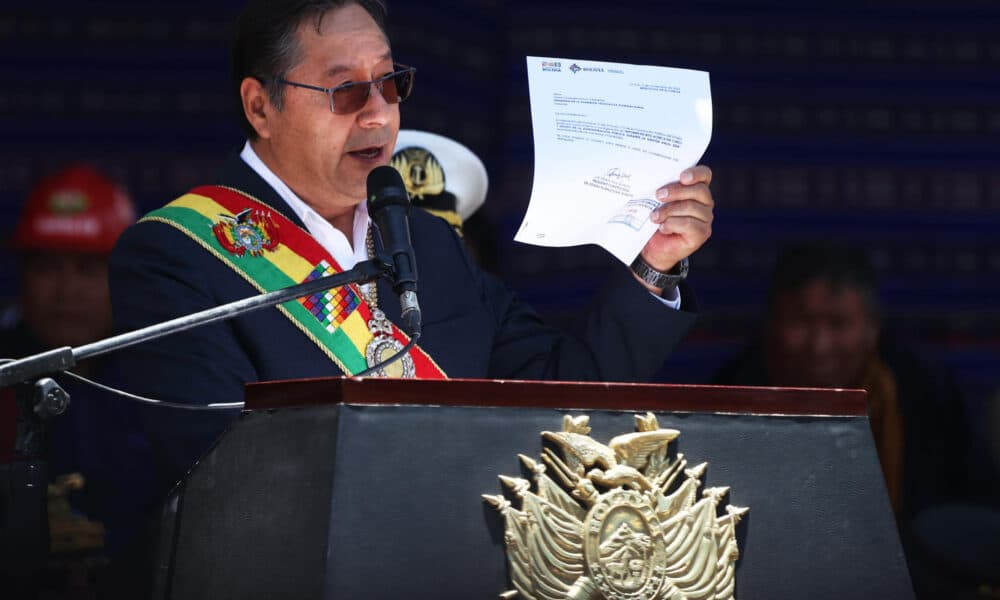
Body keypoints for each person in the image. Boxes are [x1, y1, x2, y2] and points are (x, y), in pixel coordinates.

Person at [107, 0, 715, 505]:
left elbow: (563, 394)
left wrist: (654, 265)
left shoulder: (429, 242)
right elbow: (218, 478)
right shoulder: (177, 254)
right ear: (261, 106)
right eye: (345, 91)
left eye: (390, 83)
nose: (377, 113)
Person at [713, 241, 980, 597]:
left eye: (837, 324)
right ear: (773, 324)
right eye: (802, 322)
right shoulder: (729, 401)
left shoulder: (925, 398)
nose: (819, 345)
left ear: (872, 328)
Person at [0, 164, 148, 596]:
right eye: (49, 267)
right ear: (22, 275)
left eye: (88, 270)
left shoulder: (165, 384)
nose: (66, 291)